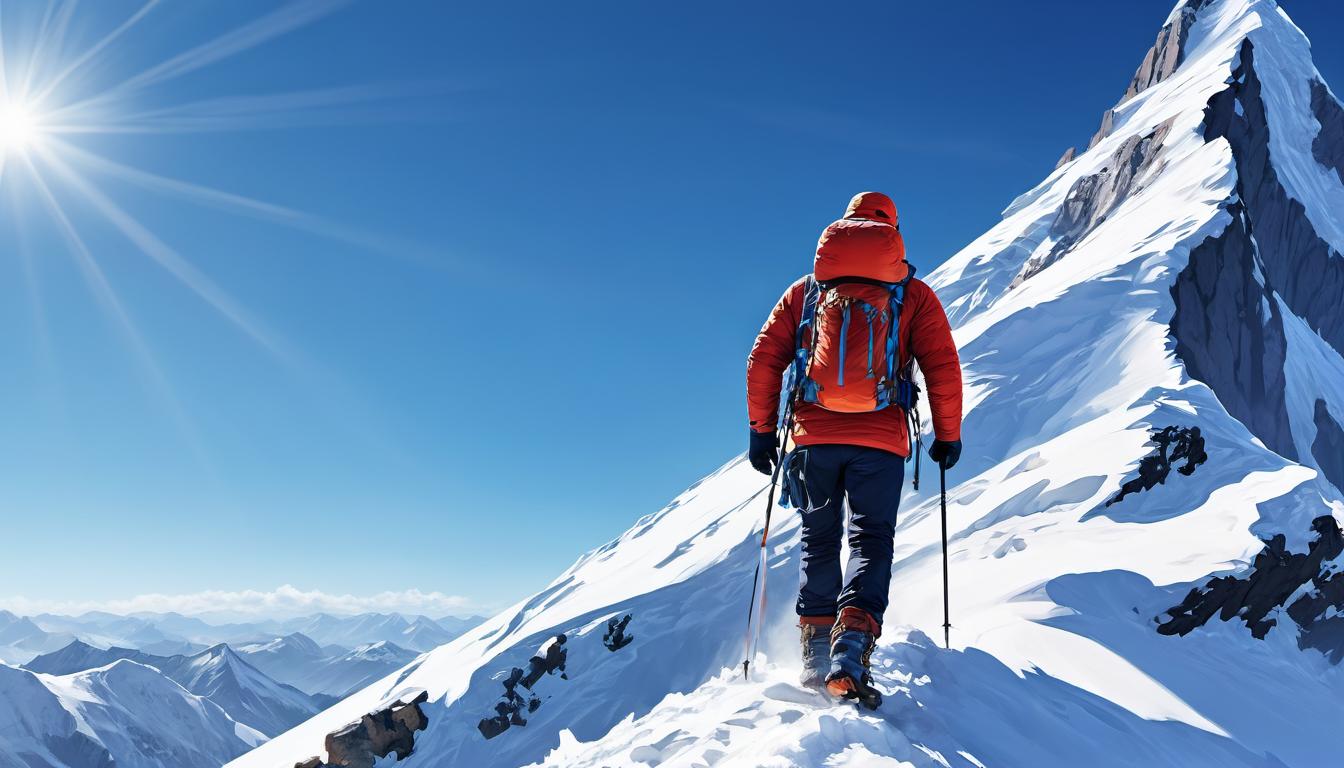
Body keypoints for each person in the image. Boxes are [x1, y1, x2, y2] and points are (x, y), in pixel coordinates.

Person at [745, 191, 963, 705]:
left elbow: (764, 360)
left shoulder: (807, 292)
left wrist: (760, 430)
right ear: (892, 232)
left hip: (812, 439)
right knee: (870, 541)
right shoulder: (913, 296)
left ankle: (816, 652)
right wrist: (948, 435)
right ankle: (852, 646)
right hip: (881, 441)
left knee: (819, 541)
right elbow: (943, 368)